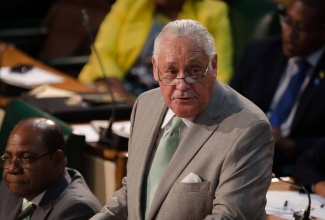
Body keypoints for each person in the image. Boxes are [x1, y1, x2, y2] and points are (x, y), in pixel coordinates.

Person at [90, 19, 274, 220]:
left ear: (213, 66)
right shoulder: (144, 105)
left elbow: (229, 217)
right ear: (155, 68)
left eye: (194, 71)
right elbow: (132, 191)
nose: (182, 84)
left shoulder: (248, 129)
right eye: (170, 71)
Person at [230, 0, 325, 176]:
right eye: (287, 21)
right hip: (246, 148)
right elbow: (228, 102)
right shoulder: (259, 52)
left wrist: (288, 144)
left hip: (296, 163)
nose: (290, 33)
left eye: (301, 28)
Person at [78, 0, 233, 97]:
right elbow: (104, 51)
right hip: (116, 92)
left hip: (175, 101)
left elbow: (218, 73)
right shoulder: (129, 4)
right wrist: (119, 94)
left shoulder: (213, 12)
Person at [0, 118, 102, 219]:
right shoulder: (13, 185)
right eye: (8, 157)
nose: (12, 168)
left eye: (26, 158)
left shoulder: (76, 211)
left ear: (57, 160)